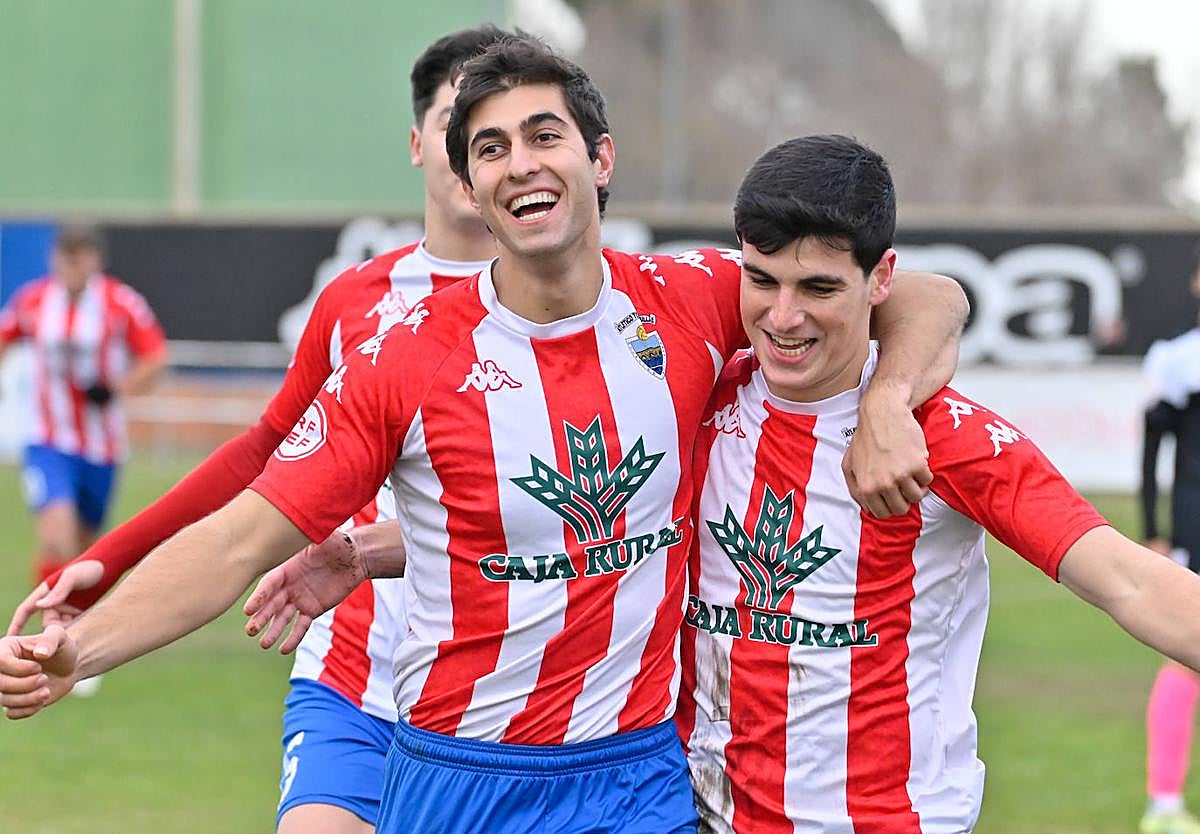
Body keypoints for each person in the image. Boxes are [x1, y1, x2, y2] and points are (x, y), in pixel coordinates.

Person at [0, 36, 967, 834]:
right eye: (491, 148)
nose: (521, 162)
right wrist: (85, 649)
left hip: (635, 776)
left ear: (600, 160)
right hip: (457, 776)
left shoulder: (691, 297)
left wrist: (884, 406)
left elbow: (923, 292)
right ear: (469, 182)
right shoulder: (402, 356)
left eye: (544, 134)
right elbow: (238, 538)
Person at [4, 26, 506, 834]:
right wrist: (105, 562)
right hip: (357, 678)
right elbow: (261, 455)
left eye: (501, 133)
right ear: (420, 143)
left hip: (510, 704)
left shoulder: (575, 315)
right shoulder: (355, 305)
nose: (476, 152)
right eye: (458, 125)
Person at [675, 133, 1200, 833]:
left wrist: (886, 402)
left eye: (820, 288)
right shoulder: (692, 391)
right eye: (762, 280)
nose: (782, 317)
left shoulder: (946, 435)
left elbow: (1127, 581)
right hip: (694, 817)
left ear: (881, 279)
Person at [0, 224, 166, 589]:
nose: (74, 268)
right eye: (67, 259)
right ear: (54, 259)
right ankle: (44, 625)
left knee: (85, 550)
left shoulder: (120, 303)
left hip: (101, 445)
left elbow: (155, 356)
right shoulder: (33, 301)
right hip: (47, 439)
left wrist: (117, 388)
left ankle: (72, 625)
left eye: (82, 258)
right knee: (55, 535)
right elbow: (4, 338)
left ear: (96, 261)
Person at [1137, 248, 1200, 834]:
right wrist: (1152, 530)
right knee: (1186, 662)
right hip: (1195, 533)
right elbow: (1153, 450)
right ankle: (1163, 802)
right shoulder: (1180, 358)